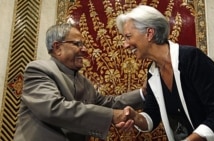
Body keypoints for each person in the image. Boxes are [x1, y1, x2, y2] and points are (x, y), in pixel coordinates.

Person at [115, 5, 214, 141]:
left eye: (128, 37)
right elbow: (152, 115)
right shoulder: (152, 73)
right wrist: (135, 117)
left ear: (149, 33)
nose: (125, 44)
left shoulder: (192, 58)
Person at [14, 23, 146, 141]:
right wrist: (111, 116)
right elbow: (53, 108)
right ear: (57, 47)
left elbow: (109, 104)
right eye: (78, 44)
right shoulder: (39, 69)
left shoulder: (84, 82)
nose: (85, 50)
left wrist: (144, 93)